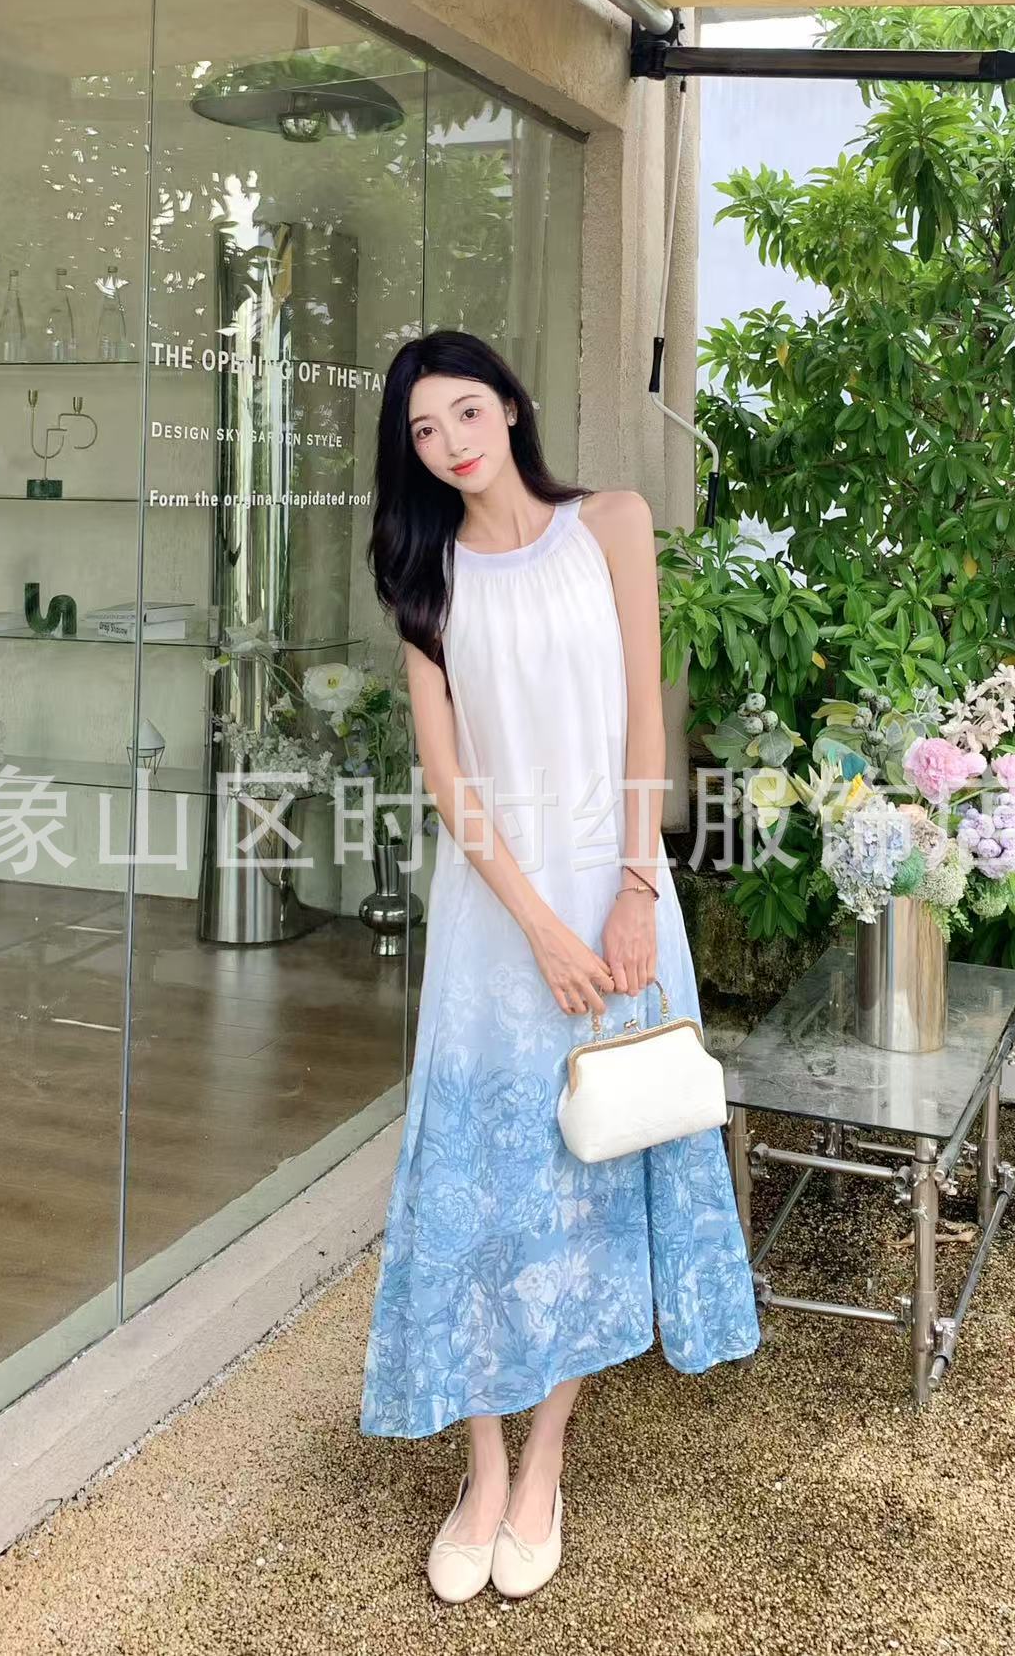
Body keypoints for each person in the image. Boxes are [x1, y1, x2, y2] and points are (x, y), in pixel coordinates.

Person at [360, 328, 761, 1602]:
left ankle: (543, 1462)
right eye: (423, 431)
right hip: (498, 918)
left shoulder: (611, 524)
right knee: (481, 1183)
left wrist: (636, 887)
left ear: (511, 407)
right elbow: (449, 779)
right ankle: (481, 1472)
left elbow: (646, 712)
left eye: (465, 412)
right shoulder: (425, 575)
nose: (450, 443)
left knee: (595, 1165)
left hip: (615, 886)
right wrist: (537, 925)